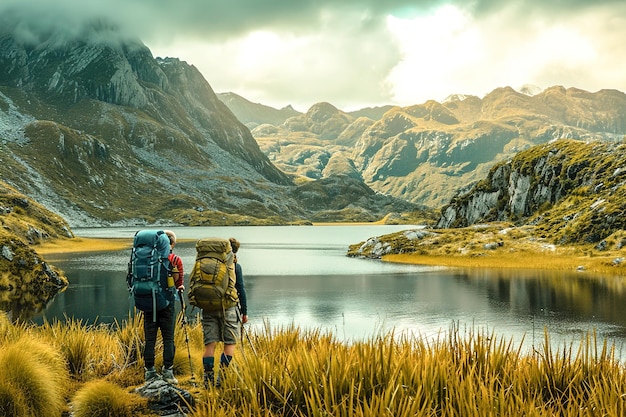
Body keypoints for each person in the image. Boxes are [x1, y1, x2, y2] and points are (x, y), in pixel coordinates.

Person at [202, 237, 248, 388]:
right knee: (230, 343)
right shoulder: (235, 266)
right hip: (229, 308)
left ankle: (207, 380)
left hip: (208, 307)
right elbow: (240, 289)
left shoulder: (207, 264)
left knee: (210, 344)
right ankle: (221, 378)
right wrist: (244, 312)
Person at [143, 229, 185, 384]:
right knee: (168, 338)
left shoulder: (148, 258)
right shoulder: (175, 259)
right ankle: (168, 372)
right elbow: (179, 283)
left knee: (150, 339)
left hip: (149, 303)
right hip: (167, 304)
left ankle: (149, 372)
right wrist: (179, 287)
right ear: (172, 243)